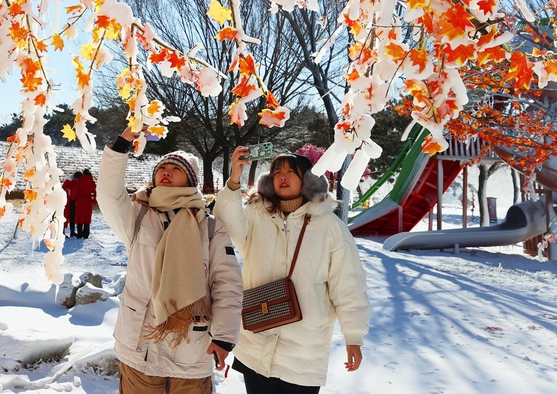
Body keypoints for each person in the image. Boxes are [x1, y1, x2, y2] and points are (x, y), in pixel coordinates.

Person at [97, 127, 243, 394]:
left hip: (191, 347)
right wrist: (122, 144)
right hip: (140, 342)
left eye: (175, 169)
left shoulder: (210, 228)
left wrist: (223, 337)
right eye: (161, 167)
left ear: (190, 180)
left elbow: (227, 286)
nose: (165, 171)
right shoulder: (138, 217)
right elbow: (109, 195)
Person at [214, 149, 370, 394]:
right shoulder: (257, 214)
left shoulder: (329, 225)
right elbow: (226, 219)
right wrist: (234, 179)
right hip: (257, 338)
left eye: (290, 172)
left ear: (307, 179)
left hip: (304, 350)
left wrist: (353, 336)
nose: (283, 177)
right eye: (277, 172)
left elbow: (348, 283)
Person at [73, 168, 97, 238]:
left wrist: (73, 198)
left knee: (79, 217)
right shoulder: (92, 182)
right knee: (87, 217)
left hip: (80, 201)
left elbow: (75, 191)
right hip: (88, 201)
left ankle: (79, 233)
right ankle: (86, 233)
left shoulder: (80, 181)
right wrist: (94, 200)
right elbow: (96, 191)